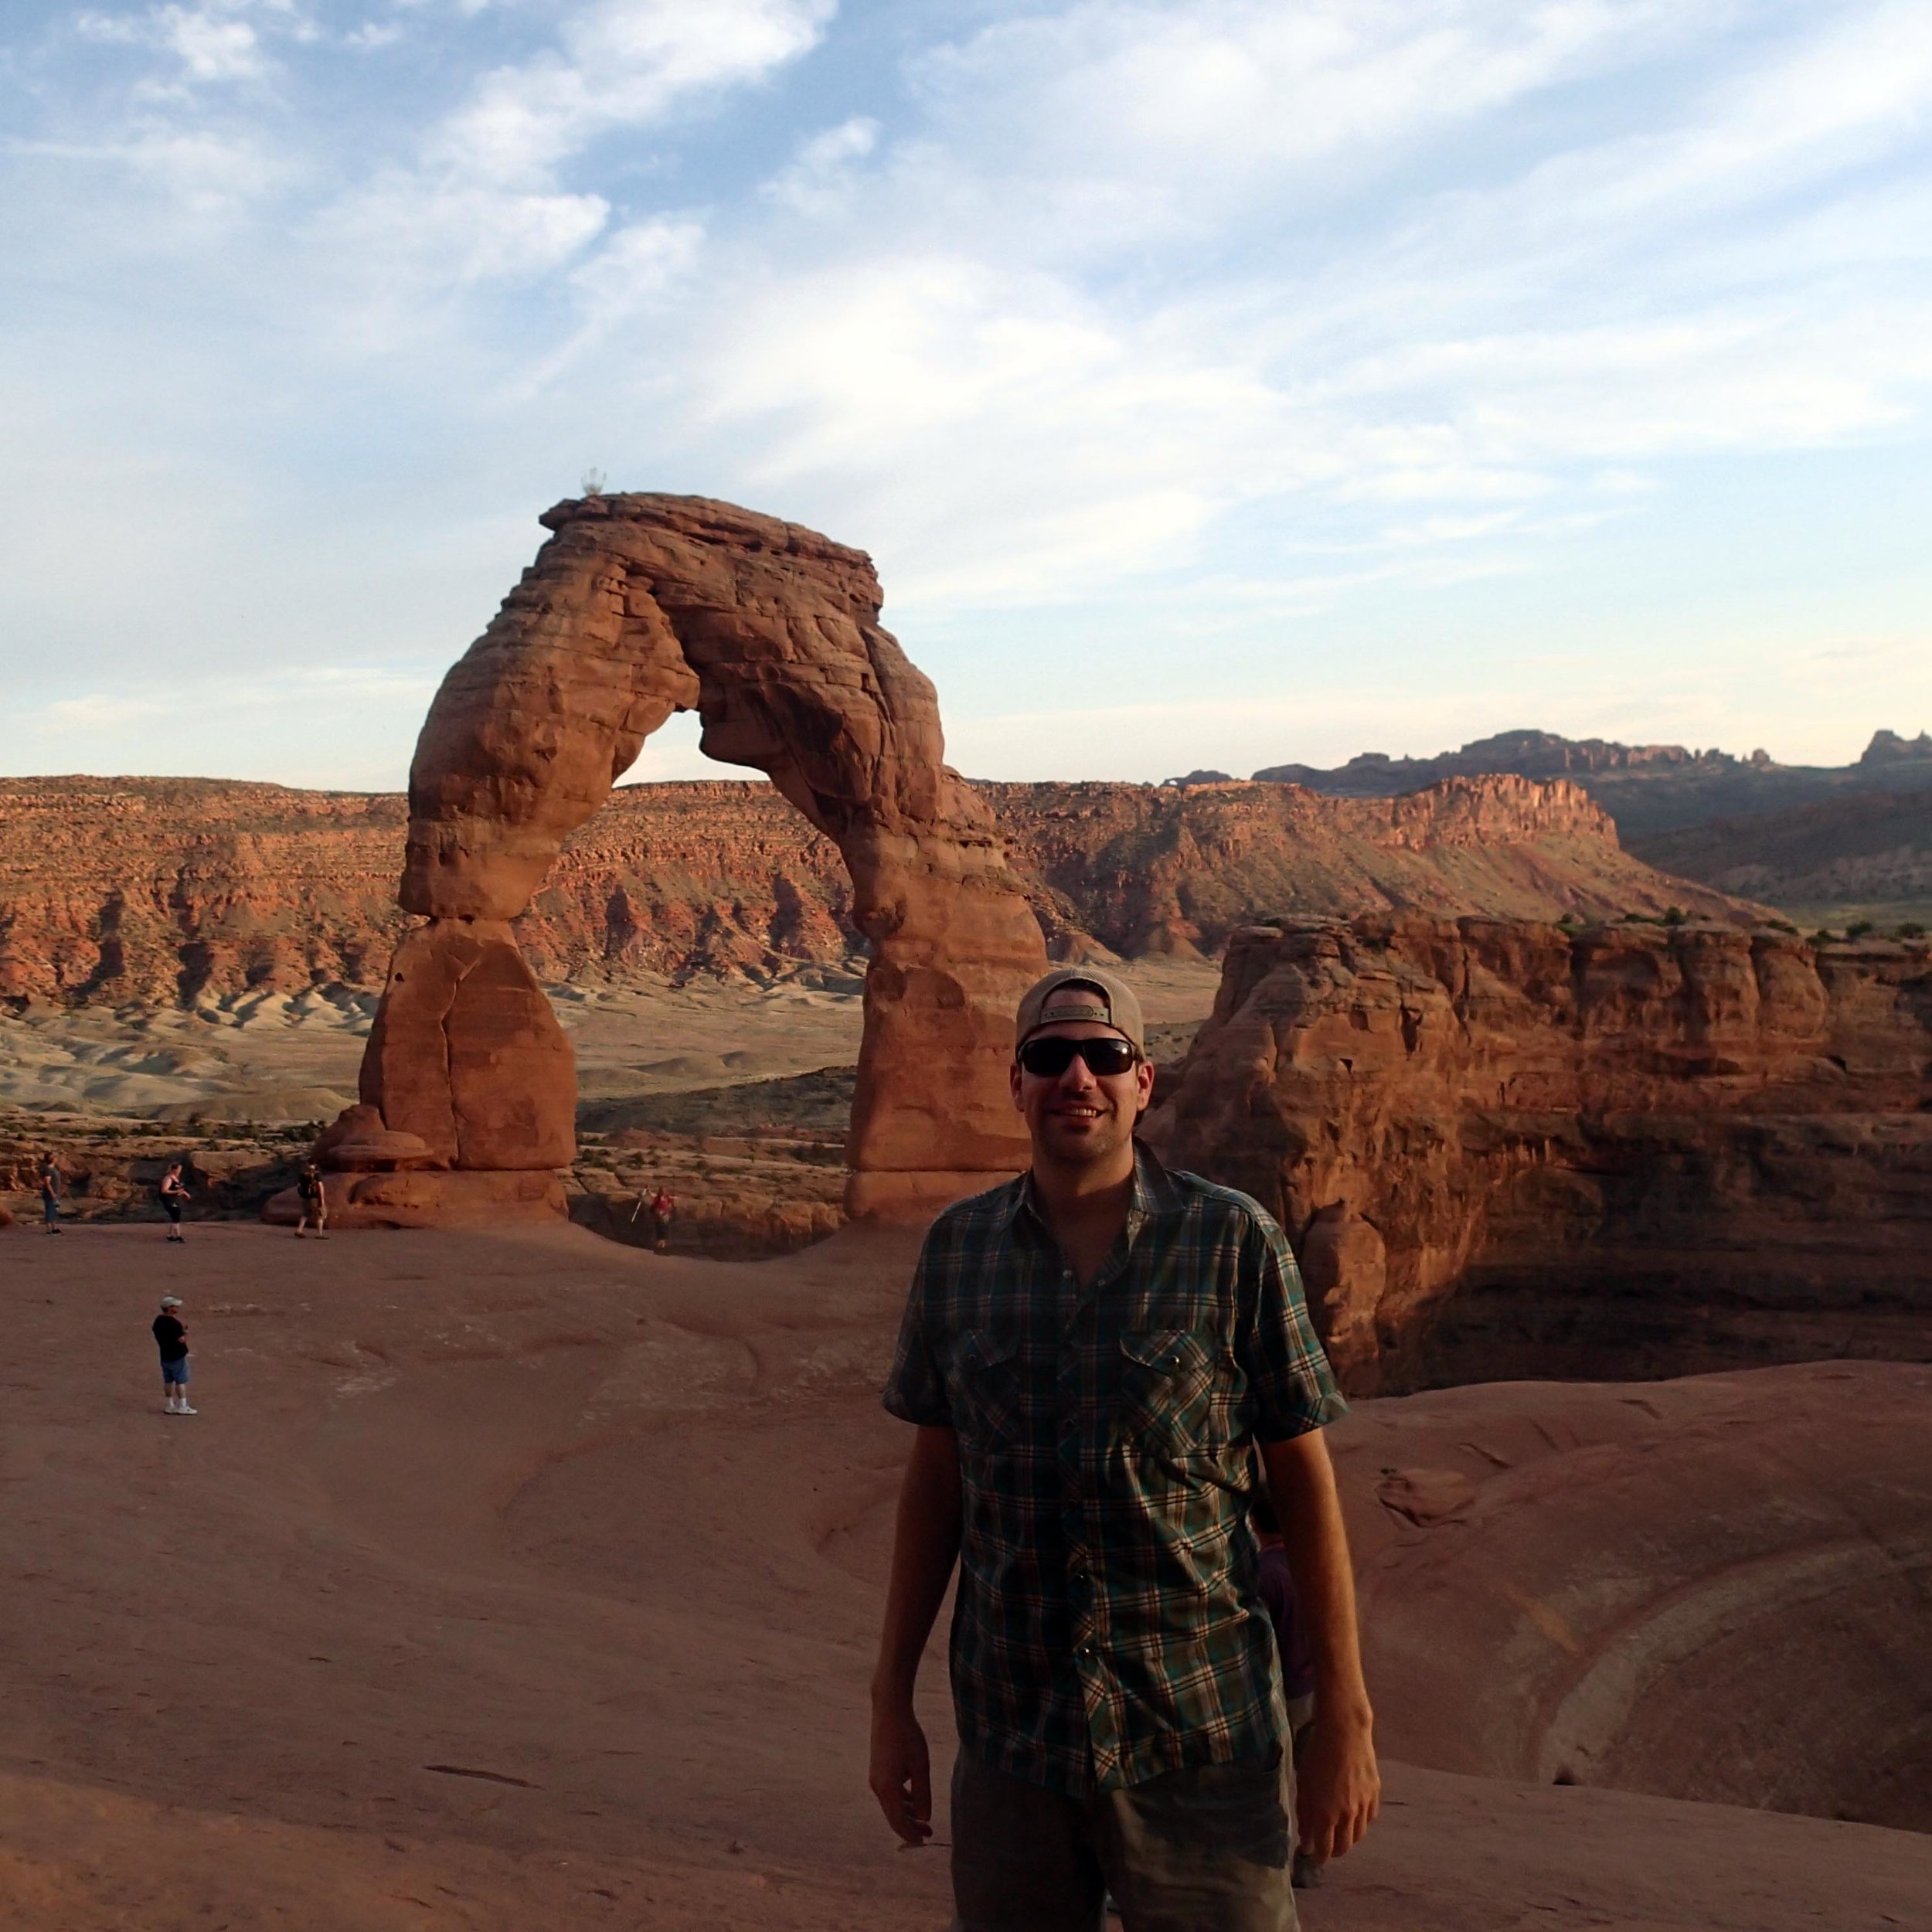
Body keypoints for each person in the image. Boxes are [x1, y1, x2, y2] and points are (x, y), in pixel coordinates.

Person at [870, 967, 1379, 1932]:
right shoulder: (957, 1253)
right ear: (1013, 1081)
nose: (1077, 1077)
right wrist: (889, 1699)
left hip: (1201, 1743)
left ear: (1145, 1080)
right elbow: (937, 1483)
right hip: (1016, 1743)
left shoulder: (1233, 1241)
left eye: (1104, 1057)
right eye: (1048, 1056)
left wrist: (1344, 1715)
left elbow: (1303, 1480)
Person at [1252, 1482, 1322, 1891]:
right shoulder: (1314, 1563)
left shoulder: (1263, 1575)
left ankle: (1270, 1863)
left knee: (1272, 1779)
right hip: (1318, 1689)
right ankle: (1309, 1858)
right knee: (1311, 1778)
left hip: (1280, 1693)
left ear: (1255, 1523)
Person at [153, 1294, 196, 1417]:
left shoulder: (158, 1321)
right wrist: (186, 1332)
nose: (177, 1307)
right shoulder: (174, 1324)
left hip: (165, 1356)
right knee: (180, 1381)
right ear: (169, 1308)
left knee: (168, 1381)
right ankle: (183, 1406)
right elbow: (181, 1340)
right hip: (177, 1356)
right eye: (174, 1306)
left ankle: (170, 1405)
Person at [158, 1159, 191, 1243]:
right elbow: (164, 1190)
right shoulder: (168, 1178)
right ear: (174, 1170)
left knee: (175, 1217)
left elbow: (179, 1189)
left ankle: (170, 1235)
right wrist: (176, 1192)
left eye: (180, 1169)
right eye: (178, 1169)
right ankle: (178, 1236)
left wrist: (185, 1194)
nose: (180, 1171)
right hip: (168, 1200)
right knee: (176, 1214)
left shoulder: (176, 1178)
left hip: (175, 1200)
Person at [295, 1161, 328, 1239]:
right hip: (315, 1197)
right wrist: (322, 1199)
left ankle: (299, 1230)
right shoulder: (316, 1174)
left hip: (306, 1197)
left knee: (305, 1214)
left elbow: (298, 1186)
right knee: (320, 1215)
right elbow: (320, 1186)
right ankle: (319, 1234)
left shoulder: (303, 1175)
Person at [39, 1152, 63, 1235]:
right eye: (55, 1157)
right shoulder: (48, 1169)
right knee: (50, 1210)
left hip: (55, 1192)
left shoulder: (53, 1168)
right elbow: (47, 1182)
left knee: (54, 1210)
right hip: (50, 1193)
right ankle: (48, 1230)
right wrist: (52, 1193)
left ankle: (54, 1228)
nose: (57, 1159)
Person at [649, 1185, 675, 1254]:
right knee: (661, 1235)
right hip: (659, 1219)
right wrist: (648, 1190)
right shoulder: (657, 1198)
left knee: (664, 1235)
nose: (663, 1192)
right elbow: (651, 1195)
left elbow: (670, 1205)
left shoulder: (667, 1198)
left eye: (664, 1190)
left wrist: (668, 1213)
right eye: (662, 1190)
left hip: (665, 1218)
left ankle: (662, 1248)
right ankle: (658, 1249)